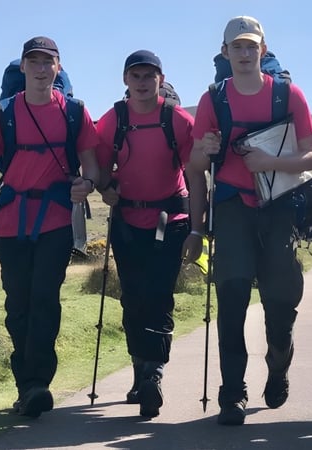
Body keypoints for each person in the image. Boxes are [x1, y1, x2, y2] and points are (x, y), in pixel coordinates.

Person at [184, 15, 312, 426]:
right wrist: (204, 149)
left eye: (251, 46)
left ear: (262, 50)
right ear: (225, 53)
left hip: (278, 206)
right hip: (231, 208)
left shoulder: (288, 94)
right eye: (237, 47)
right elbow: (194, 167)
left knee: (280, 302)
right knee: (232, 299)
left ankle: (279, 360)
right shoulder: (213, 100)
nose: (245, 53)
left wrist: (270, 162)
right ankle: (233, 393)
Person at [0, 36, 100, 418]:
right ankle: (27, 385)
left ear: (58, 67)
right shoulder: (1, 115)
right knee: (17, 305)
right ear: (22, 68)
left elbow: (92, 166)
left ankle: (36, 384)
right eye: (33, 61)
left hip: (55, 220)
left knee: (44, 300)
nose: (40, 68)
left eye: (47, 61)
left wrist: (86, 184)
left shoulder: (75, 112)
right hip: (10, 223)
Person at [94, 50, 194, 418]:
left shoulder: (178, 120)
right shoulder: (114, 119)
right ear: (125, 80)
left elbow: (195, 168)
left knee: (159, 295)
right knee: (133, 298)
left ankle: (153, 372)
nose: (142, 81)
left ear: (160, 79)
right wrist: (104, 186)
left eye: (148, 75)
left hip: (170, 220)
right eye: (135, 75)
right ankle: (141, 370)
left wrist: (198, 226)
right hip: (127, 222)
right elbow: (100, 164)